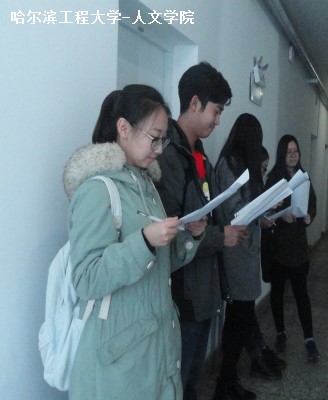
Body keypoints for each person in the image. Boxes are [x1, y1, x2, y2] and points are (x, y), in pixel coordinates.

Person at [64, 84, 207, 399]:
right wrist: (144, 241)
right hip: (118, 363)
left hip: (154, 350)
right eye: (155, 138)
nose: (159, 149)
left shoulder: (147, 186)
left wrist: (190, 236)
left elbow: (156, 265)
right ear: (124, 128)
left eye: (163, 139)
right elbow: (86, 278)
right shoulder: (96, 190)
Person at [155, 62, 248, 400]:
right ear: (194, 103)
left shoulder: (199, 156)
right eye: (216, 111)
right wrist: (220, 237)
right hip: (184, 292)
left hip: (204, 287)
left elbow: (201, 215)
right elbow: (171, 229)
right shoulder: (169, 157)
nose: (218, 120)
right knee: (179, 382)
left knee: (193, 379)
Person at [212, 113, 267, 399]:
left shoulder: (239, 164)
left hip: (245, 251)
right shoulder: (228, 165)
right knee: (239, 317)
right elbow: (234, 210)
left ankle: (228, 380)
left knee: (240, 317)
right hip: (235, 251)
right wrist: (259, 205)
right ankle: (225, 383)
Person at [264, 135, 319, 362]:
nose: (293, 155)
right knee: (277, 293)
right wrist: (280, 215)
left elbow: (312, 204)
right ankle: (280, 333)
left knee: (301, 294)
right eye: (289, 152)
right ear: (281, 154)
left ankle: (309, 338)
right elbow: (265, 210)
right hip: (277, 248)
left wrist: (309, 217)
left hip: (297, 247)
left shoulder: (303, 178)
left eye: (296, 151)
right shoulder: (273, 179)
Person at [242, 146, 287, 380]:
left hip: (249, 253)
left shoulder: (254, 185)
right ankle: (257, 356)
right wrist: (265, 211)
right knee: (243, 312)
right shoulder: (243, 184)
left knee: (247, 310)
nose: (263, 173)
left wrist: (263, 219)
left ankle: (261, 352)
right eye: (262, 168)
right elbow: (240, 217)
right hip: (239, 256)